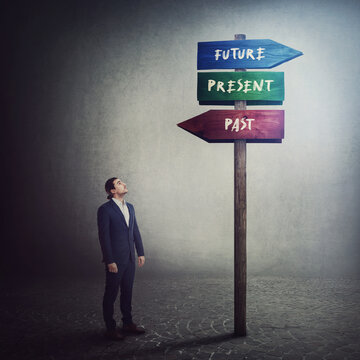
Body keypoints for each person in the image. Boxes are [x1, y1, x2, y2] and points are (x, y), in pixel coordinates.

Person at [97, 177, 146, 340]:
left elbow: (135, 230)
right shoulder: (105, 209)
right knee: (111, 293)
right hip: (115, 260)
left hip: (130, 258)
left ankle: (127, 323)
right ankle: (110, 328)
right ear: (112, 191)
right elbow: (104, 237)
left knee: (127, 292)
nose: (124, 184)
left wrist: (140, 252)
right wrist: (109, 260)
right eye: (119, 183)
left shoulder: (130, 207)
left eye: (122, 182)